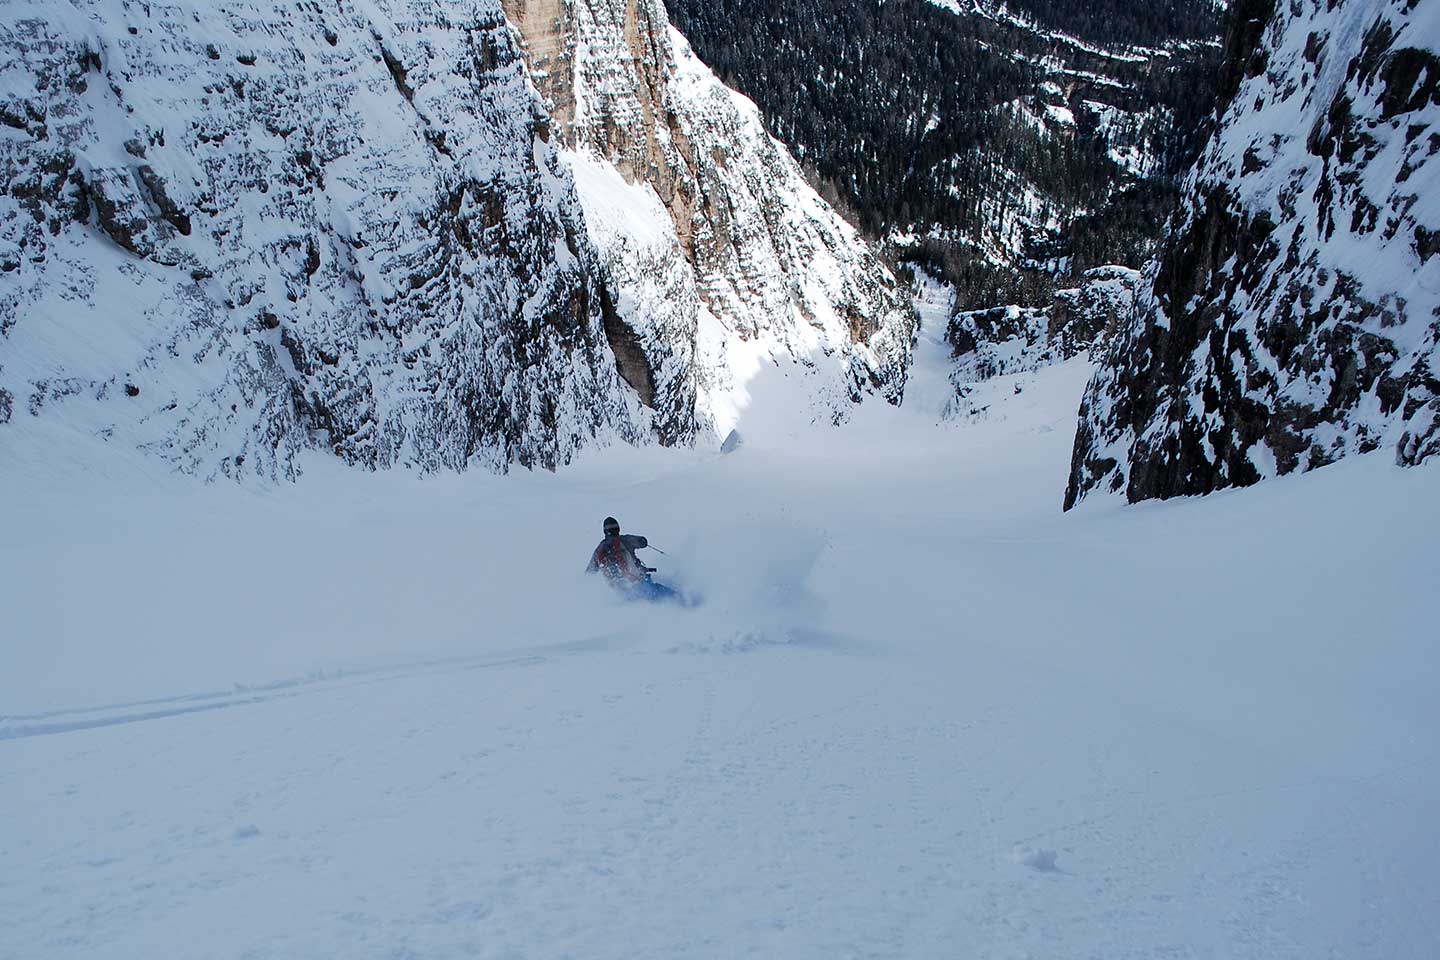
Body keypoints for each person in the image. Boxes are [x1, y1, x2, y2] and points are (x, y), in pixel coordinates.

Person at [585, 517, 680, 603]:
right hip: (641, 584)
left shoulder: (599, 550)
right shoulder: (625, 540)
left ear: (605, 531)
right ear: (618, 529)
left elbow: (589, 572)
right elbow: (643, 542)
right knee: (673, 597)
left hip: (621, 593)